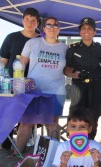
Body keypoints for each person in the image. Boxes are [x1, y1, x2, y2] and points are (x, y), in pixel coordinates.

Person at [15, 16, 68, 154]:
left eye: (55, 25)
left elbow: (67, 70)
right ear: (43, 28)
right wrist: (17, 81)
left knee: (52, 123)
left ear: (59, 29)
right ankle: (16, 155)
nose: (52, 27)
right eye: (49, 25)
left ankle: (54, 155)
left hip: (55, 91)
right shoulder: (33, 43)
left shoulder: (65, 48)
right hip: (33, 90)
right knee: (26, 123)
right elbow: (21, 63)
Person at [0, 7, 40, 150]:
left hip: (34, 84)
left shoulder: (41, 40)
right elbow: (2, 60)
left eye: (33, 21)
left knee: (30, 116)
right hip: (11, 83)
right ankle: (6, 141)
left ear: (37, 23)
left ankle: (29, 140)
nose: (29, 23)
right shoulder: (11, 37)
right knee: (9, 114)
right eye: (27, 20)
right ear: (22, 20)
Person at [64, 17, 101, 140]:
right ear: (80, 32)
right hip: (78, 85)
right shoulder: (72, 48)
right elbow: (66, 69)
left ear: (94, 32)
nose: (86, 31)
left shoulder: (100, 48)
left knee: (95, 114)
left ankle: (90, 142)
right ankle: (74, 143)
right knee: (75, 114)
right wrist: (74, 74)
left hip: (96, 85)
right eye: (83, 28)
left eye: (89, 28)